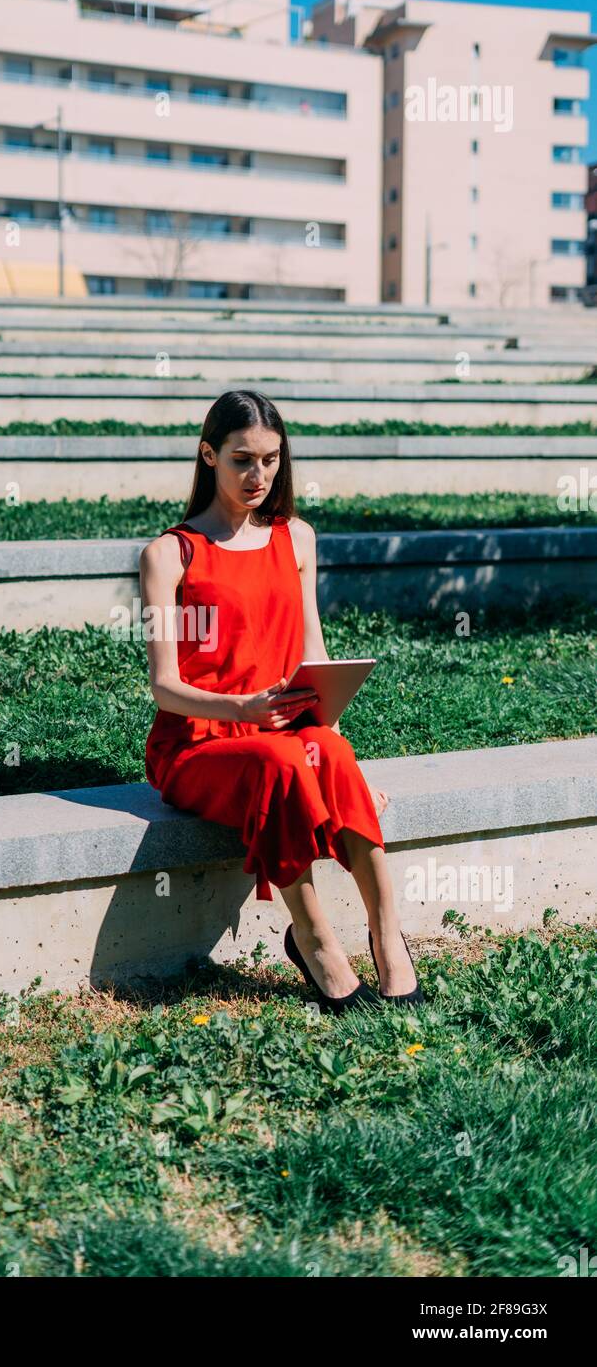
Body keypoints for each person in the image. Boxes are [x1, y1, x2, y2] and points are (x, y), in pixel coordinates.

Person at [140, 390, 424, 1014]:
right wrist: (241, 710)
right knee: (285, 764)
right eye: (242, 459)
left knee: (329, 752)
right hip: (199, 745)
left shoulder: (297, 537)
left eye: (271, 460)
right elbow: (163, 685)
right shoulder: (170, 554)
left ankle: (386, 934)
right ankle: (314, 936)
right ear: (208, 455)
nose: (258, 475)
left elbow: (313, 656)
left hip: (283, 728)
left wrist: (342, 758)